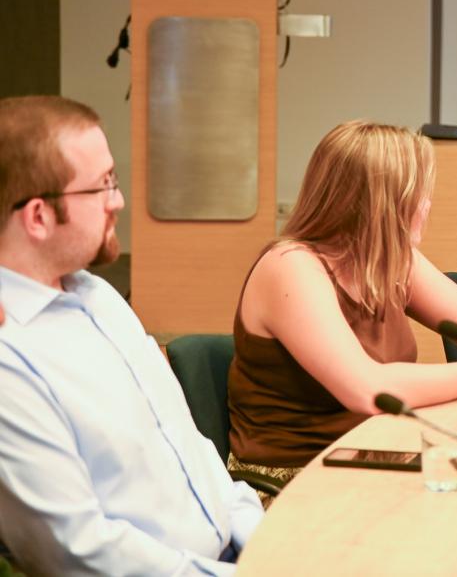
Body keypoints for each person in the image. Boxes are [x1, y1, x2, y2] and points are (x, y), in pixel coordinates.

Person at [0, 95, 262, 575]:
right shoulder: (11, 359)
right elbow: (79, 551)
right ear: (38, 216)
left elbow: (186, 445)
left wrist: (266, 544)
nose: (117, 201)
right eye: (101, 186)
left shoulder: (99, 297)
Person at [227, 121, 457, 482]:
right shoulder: (290, 266)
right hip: (297, 477)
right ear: (379, 202)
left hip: (377, 453)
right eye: (418, 194)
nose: (427, 206)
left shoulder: (392, 257)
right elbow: (368, 389)